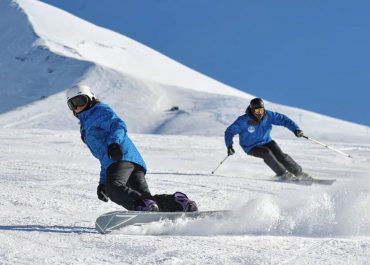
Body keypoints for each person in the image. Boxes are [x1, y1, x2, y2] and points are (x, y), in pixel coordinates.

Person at [66, 84, 198, 212]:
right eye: (72, 104)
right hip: (127, 160)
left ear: (90, 98)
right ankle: (179, 204)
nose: (77, 106)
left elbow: (118, 125)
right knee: (146, 200)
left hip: (120, 158)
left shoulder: (99, 111)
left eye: (80, 100)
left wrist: (114, 143)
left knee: (115, 189)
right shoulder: (87, 123)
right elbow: (104, 157)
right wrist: (102, 183)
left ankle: (144, 207)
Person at [224, 97, 310, 180]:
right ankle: (283, 174)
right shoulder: (243, 121)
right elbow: (229, 132)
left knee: (280, 154)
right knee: (267, 153)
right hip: (250, 147)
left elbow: (284, 120)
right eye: (257, 110)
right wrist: (229, 146)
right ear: (252, 110)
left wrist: (296, 129)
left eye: (261, 110)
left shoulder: (268, 115)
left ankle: (298, 173)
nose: (260, 113)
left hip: (267, 141)